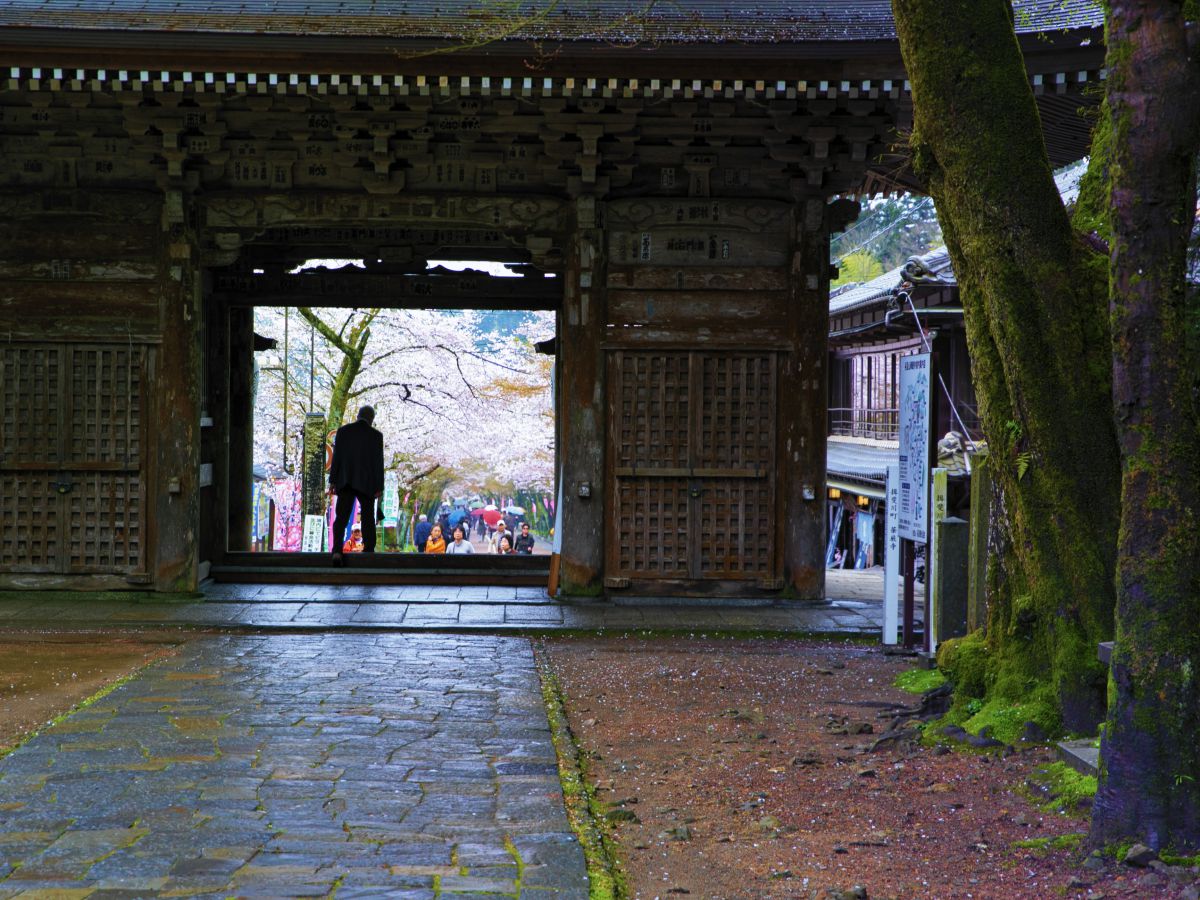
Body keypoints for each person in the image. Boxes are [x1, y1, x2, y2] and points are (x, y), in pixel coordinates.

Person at [329, 405, 385, 566]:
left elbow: (336, 458)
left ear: (358, 415)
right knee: (368, 518)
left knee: (341, 518)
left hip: (345, 480)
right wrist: (379, 486)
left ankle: (337, 551)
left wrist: (333, 481)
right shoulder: (376, 436)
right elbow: (378, 463)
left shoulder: (343, 431)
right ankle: (369, 551)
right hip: (366, 483)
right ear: (371, 419)